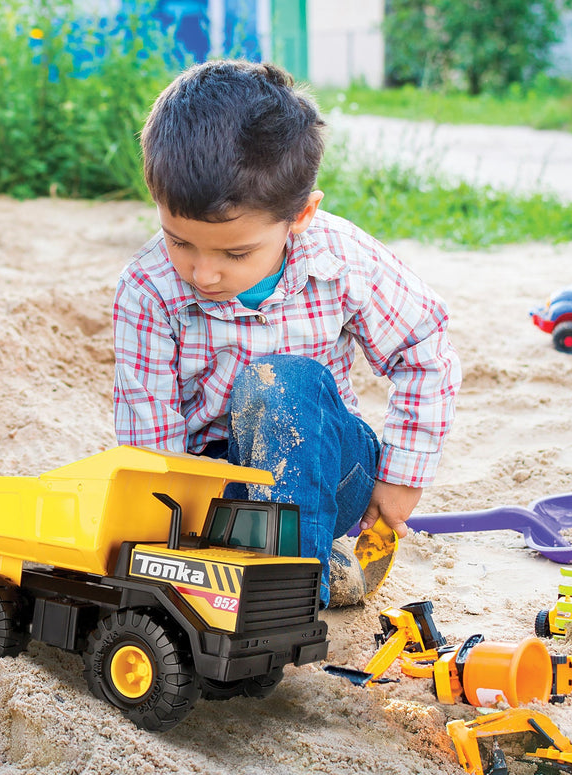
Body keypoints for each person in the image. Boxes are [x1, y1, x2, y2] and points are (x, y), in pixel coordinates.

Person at [112, 59, 462, 609]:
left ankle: (293, 591)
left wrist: (402, 476)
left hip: (330, 469)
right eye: (179, 241)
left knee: (279, 382)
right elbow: (150, 436)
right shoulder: (148, 289)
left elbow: (425, 350)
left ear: (300, 215)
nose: (203, 274)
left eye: (235, 252)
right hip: (215, 489)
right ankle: (275, 565)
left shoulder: (342, 260)